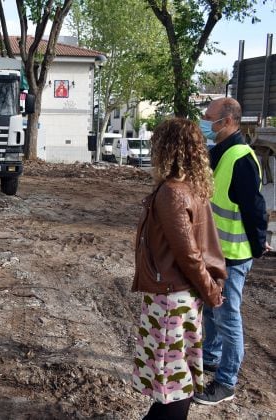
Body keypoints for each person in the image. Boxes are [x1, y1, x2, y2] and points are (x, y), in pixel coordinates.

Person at [131, 118, 227, 420]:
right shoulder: (189, 188)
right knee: (176, 381)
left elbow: (189, 255)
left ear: (168, 149)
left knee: (173, 384)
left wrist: (211, 292)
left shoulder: (172, 192)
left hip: (171, 300)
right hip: (179, 296)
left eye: (156, 145)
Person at [193, 97, 272, 405]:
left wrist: (257, 244)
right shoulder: (219, 152)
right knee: (212, 311)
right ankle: (211, 357)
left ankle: (226, 383)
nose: (204, 121)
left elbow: (255, 207)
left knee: (227, 315)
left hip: (233, 255)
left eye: (208, 116)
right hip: (214, 252)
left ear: (226, 121)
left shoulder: (241, 157)